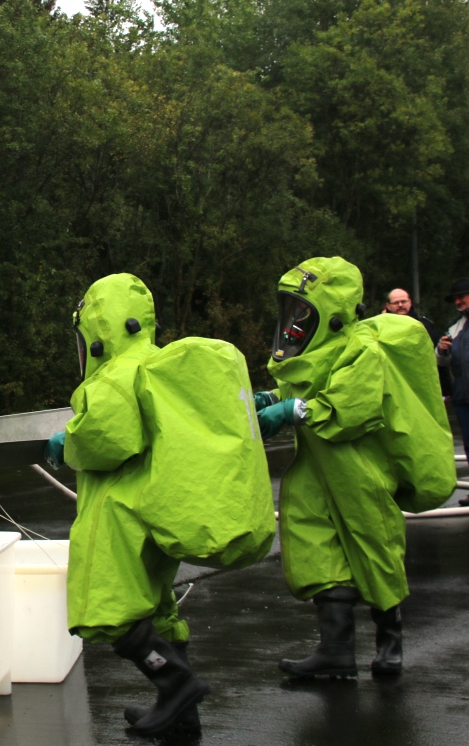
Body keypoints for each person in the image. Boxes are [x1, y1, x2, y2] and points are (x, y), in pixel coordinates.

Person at [44, 273, 274, 737]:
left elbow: (107, 440)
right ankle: (181, 715)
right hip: (156, 509)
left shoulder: (114, 376)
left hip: (119, 512)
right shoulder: (158, 364)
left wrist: (67, 443)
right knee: (159, 606)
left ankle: (176, 684)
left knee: (106, 607)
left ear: (97, 329)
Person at [256, 257, 437, 679]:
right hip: (315, 468)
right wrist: (271, 399)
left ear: (332, 313)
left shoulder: (363, 350)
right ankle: (336, 651)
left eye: (304, 311)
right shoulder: (313, 350)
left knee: (375, 550)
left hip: (359, 470)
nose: (295, 322)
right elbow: (298, 385)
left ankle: (389, 642)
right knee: (314, 546)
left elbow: (352, 407)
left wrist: (295, 410)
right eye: (292, 311)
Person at [436, 277, 469, 504]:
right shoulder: (454, 326)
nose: (459, 301)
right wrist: (441, 350)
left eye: (462, 296)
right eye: (456, 298)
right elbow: (442, 362)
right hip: (463, 395)